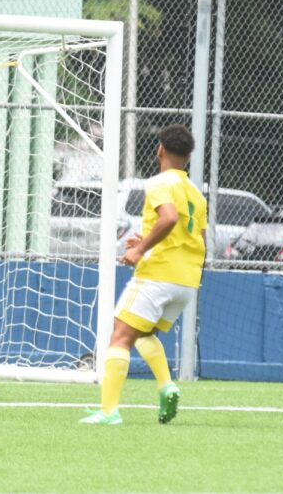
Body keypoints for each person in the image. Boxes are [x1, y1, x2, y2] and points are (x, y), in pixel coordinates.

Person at [80, 124, 206, 426]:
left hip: (158, 274)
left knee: (120, 336)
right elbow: (197, 237)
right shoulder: (196, 193)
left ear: (160, 149)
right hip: (186, 281)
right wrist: (147, 240)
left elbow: (169, 218)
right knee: (144, 333)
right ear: (188, 157)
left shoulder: (160, 182)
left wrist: (140, 249)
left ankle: (109, 411)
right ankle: (166, 386)